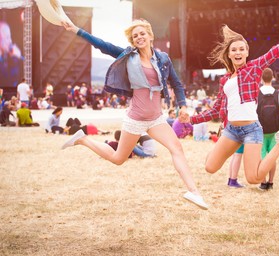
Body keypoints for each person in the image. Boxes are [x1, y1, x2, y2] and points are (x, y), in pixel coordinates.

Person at [61, 18, 208, 209]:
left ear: (150, 35)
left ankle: (194, 192)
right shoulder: (128, 56)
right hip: (136, 119)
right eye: (135, 36)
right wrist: (76, 30)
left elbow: (177, 84)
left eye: (142, 34)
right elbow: (102, 45)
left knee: (177, 148)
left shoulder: (163, 58)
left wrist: (183, 106)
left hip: (156, 119)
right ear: (133, 40)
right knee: (118, 159)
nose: (139, 37)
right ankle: (83, 139)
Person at [189, 13, 279, 185]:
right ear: (228, 54)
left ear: (247, 52)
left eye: (241, 49)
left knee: (254, 178)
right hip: (231, 131)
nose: (238, 52)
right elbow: (215, 110)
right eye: (234, 50)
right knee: (210, 167)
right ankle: (225, 147)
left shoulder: (254, 67)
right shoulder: (225, 80)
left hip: (251, 129)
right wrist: (191, 119)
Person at [257, 68, 279, 190]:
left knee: (262, 156)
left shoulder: (257, 93)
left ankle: (263, 182)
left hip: (260, 129)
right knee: (272, 156)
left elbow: (254, 112)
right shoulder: (278, 93)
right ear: (273, 78)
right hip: (274, 129)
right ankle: (271, 182)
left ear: (261, 78)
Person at [0, 21, 23, 87]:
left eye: (10, 37)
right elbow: (10, 83)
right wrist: (15, 59)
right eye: (7, 37)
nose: (10, 41)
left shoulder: (6, 57)